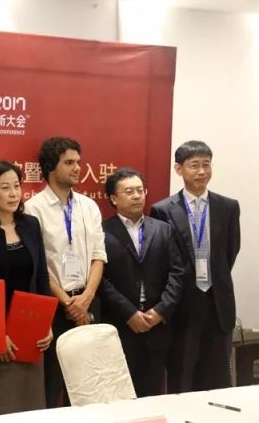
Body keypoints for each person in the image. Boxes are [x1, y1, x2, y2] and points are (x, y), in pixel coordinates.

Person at [150, 140, 240, 393]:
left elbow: (230, 252)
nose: (202, 171)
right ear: (178, 169)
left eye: (206, 165)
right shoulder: (162, 210)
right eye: (194, 165)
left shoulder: (228, 207)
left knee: (218, 377)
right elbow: (162, 261)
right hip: (182, 304)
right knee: (182, 375)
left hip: (217, 302)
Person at [24, 137, 107, 407]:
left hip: (88, 302)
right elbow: (38, 265)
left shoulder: (88, 206)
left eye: (78, 162)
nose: (77, 168)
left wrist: (86, 298)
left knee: (88, 385)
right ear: (51, 167)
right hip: (54, 306)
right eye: (69, 162)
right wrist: (68, 302)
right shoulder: (32, 208)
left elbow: (98, 255)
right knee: (52, 384)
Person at [0, 161, 53, 415]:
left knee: (33, 410)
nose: (14, 193)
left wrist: (46, 323)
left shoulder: (31, 225)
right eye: (5, 187)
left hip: (31, 335)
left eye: (17, 186)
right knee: (1, 408)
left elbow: (41, 278)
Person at [99, 167, 184, 397]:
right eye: (129, 192)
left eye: (140, 190)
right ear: (114, 199)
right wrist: (129, 313)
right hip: (120, 326)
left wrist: (161, 311)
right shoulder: (101, 232)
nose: (137, 196)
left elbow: (177, 274)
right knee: (119, 398)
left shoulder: (164, 230)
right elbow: (101, 279)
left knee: (151, 397)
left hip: (156, 327)